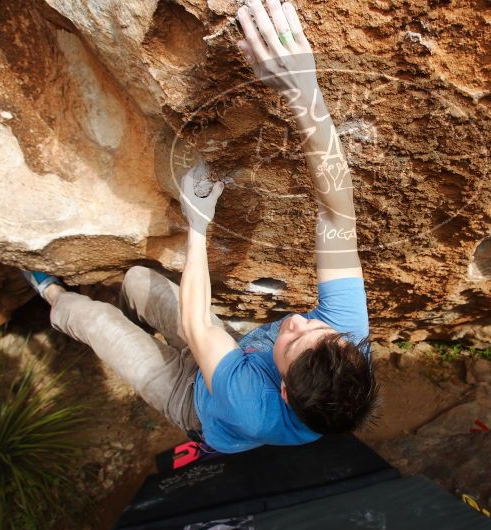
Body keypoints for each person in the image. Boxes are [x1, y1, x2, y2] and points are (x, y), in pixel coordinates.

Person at [21, 0, 378, 454]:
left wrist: (198, 223)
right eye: (315, 327)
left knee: (94, 320)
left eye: (293, 341)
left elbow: (197, 327)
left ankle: (49, 294)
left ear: (284, 392)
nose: (296, 320)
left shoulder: (254, 405)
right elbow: (336, 211)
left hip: (190, 400)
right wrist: (304, 92)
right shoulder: (346, 338)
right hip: (230, 353)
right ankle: (134, 313)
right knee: (137, 281)